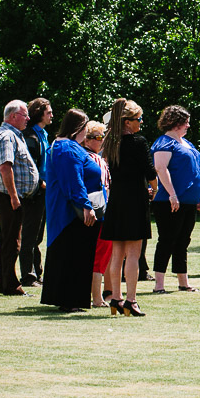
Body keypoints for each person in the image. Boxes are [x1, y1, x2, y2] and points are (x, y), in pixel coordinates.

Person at [40, 109, 102, 313]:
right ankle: (69, 299)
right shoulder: (66, 148)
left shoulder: (67, 146)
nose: (86, 133)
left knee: (76, 253)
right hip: (70, 213)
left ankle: (71, 298)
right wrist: (86, 205)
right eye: (85, 128)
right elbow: (73, 180)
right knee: (73, 253)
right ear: (78, 128)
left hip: (72, 209)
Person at [102, 98, 158, 317]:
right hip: (135, 199)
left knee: (117, 253)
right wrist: (155, 188)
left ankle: (115, 297)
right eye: (138, 119)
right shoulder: (138, 142)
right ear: (127, 122)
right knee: (134, 253)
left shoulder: (110, 142)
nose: (141, 122)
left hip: (117, 200)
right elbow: (149, 171)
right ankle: (131, 300)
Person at [0, 100, 40, 297]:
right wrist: (13, 196)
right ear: (13, 116)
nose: (28, 118)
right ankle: (11, 286)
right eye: (25, 115)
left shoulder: (11, 135)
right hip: (8, 196)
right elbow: (5, 167)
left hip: (9, 195)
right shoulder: (7, 136)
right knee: (12, 242)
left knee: (6, 239)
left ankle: (1, 283)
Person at [151, 105, 200, 294]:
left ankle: (183, 282)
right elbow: (160, 168)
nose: (188, 125)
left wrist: (198, 195)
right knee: (167, 240)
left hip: (189, 201)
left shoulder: (186, 143)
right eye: (185, 122)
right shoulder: (164, 143)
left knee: (183, 241)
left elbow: (193, 171)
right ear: (175, 122)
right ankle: (159, 284)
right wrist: (172, 194)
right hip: (169, 201)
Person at [19, 97, 52, 287]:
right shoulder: (30, 136)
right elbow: (29, 165)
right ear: (39, 114)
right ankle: (28, 276)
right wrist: (40, 183)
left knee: (37, 236)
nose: (52, 115)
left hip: (44, 191)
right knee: (30, 235)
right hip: (34, 192)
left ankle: (37, 273)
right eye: (49, 112)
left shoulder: (43, 134)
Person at [82, 121, 114, 308]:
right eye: (99, 137)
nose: (102, 141)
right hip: (98, 212)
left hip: (96, 210)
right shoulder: (92, 159)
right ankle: (97, 298)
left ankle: (97, 296)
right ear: (87, 140)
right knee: (100, 255)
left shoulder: (91, 158)